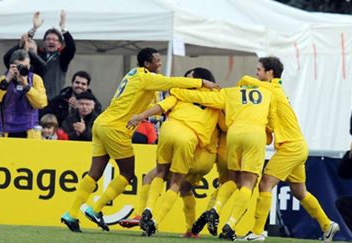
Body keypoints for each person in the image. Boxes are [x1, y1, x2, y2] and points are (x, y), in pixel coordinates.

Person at [60, 48, 218, 233]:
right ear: (146, 64)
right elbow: (172, 81)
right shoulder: (146, 77)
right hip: (116, 128)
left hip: (101, 123)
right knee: (128, 174)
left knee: (94, 172)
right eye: (157, 61)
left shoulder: (133, 74)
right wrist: (202, 82)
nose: (160, 63)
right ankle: (95, 209)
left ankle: (71, 214)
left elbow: (141, 101)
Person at [236, 57, 339, 242]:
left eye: (259, 70)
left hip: (290, 147)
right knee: (300, 192)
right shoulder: (276, 89)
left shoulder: (272, 89)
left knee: (265, 184)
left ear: (270, 73)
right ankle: (327, 224)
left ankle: (257, 232)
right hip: (298, 145)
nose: (256, 73)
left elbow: (244, 79)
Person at [169, 74, 276, 240]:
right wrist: (270, 135)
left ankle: (214, 210)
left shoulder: (230, 92)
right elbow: (273, 123)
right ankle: (229, 223)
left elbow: (202, 98)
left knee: (231, 182)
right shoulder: (268, 93)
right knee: (248, 184)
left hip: (230, 140)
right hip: (254, 135)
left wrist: (177, 91)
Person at [125, 67, 220, 237]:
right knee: (184, 187)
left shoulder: (180, 93)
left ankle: (146, 214)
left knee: (155, 176)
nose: (186, 80)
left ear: (200, 79)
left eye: (189, 78)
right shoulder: (219, 99)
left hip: (184, 142)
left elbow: (161, 106)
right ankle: (191, 229)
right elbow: (225, 125)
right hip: (206, 155)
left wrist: (140, 116)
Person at [0, 49, 47, 138]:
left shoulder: (35, 79)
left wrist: (27, 86)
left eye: (26, 66)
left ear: (29, 66)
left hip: (29, 130)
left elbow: (41, 103)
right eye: (20, 66)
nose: (23, 69)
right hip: (5, 130)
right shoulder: (4, 79)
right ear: (11, 66)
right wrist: (6, 81)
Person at [37, 10, 76, 99]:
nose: (51, 41)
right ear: (44, 42)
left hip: (54, 99)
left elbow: (71, 47)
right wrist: (34, 29)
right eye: (48, 39)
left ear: (60, 44)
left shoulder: (62, 58)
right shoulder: (36, 55)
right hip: (36, 99)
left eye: (54, 40)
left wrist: (63, 28)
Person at [3, 12, 47, 77]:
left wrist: (28, 51)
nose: (27, 44)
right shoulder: (15, 64)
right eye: (26, 44)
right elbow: (6, 58)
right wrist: (20, 45)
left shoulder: (39, 65)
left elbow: (43, 65)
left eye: (31, 49)